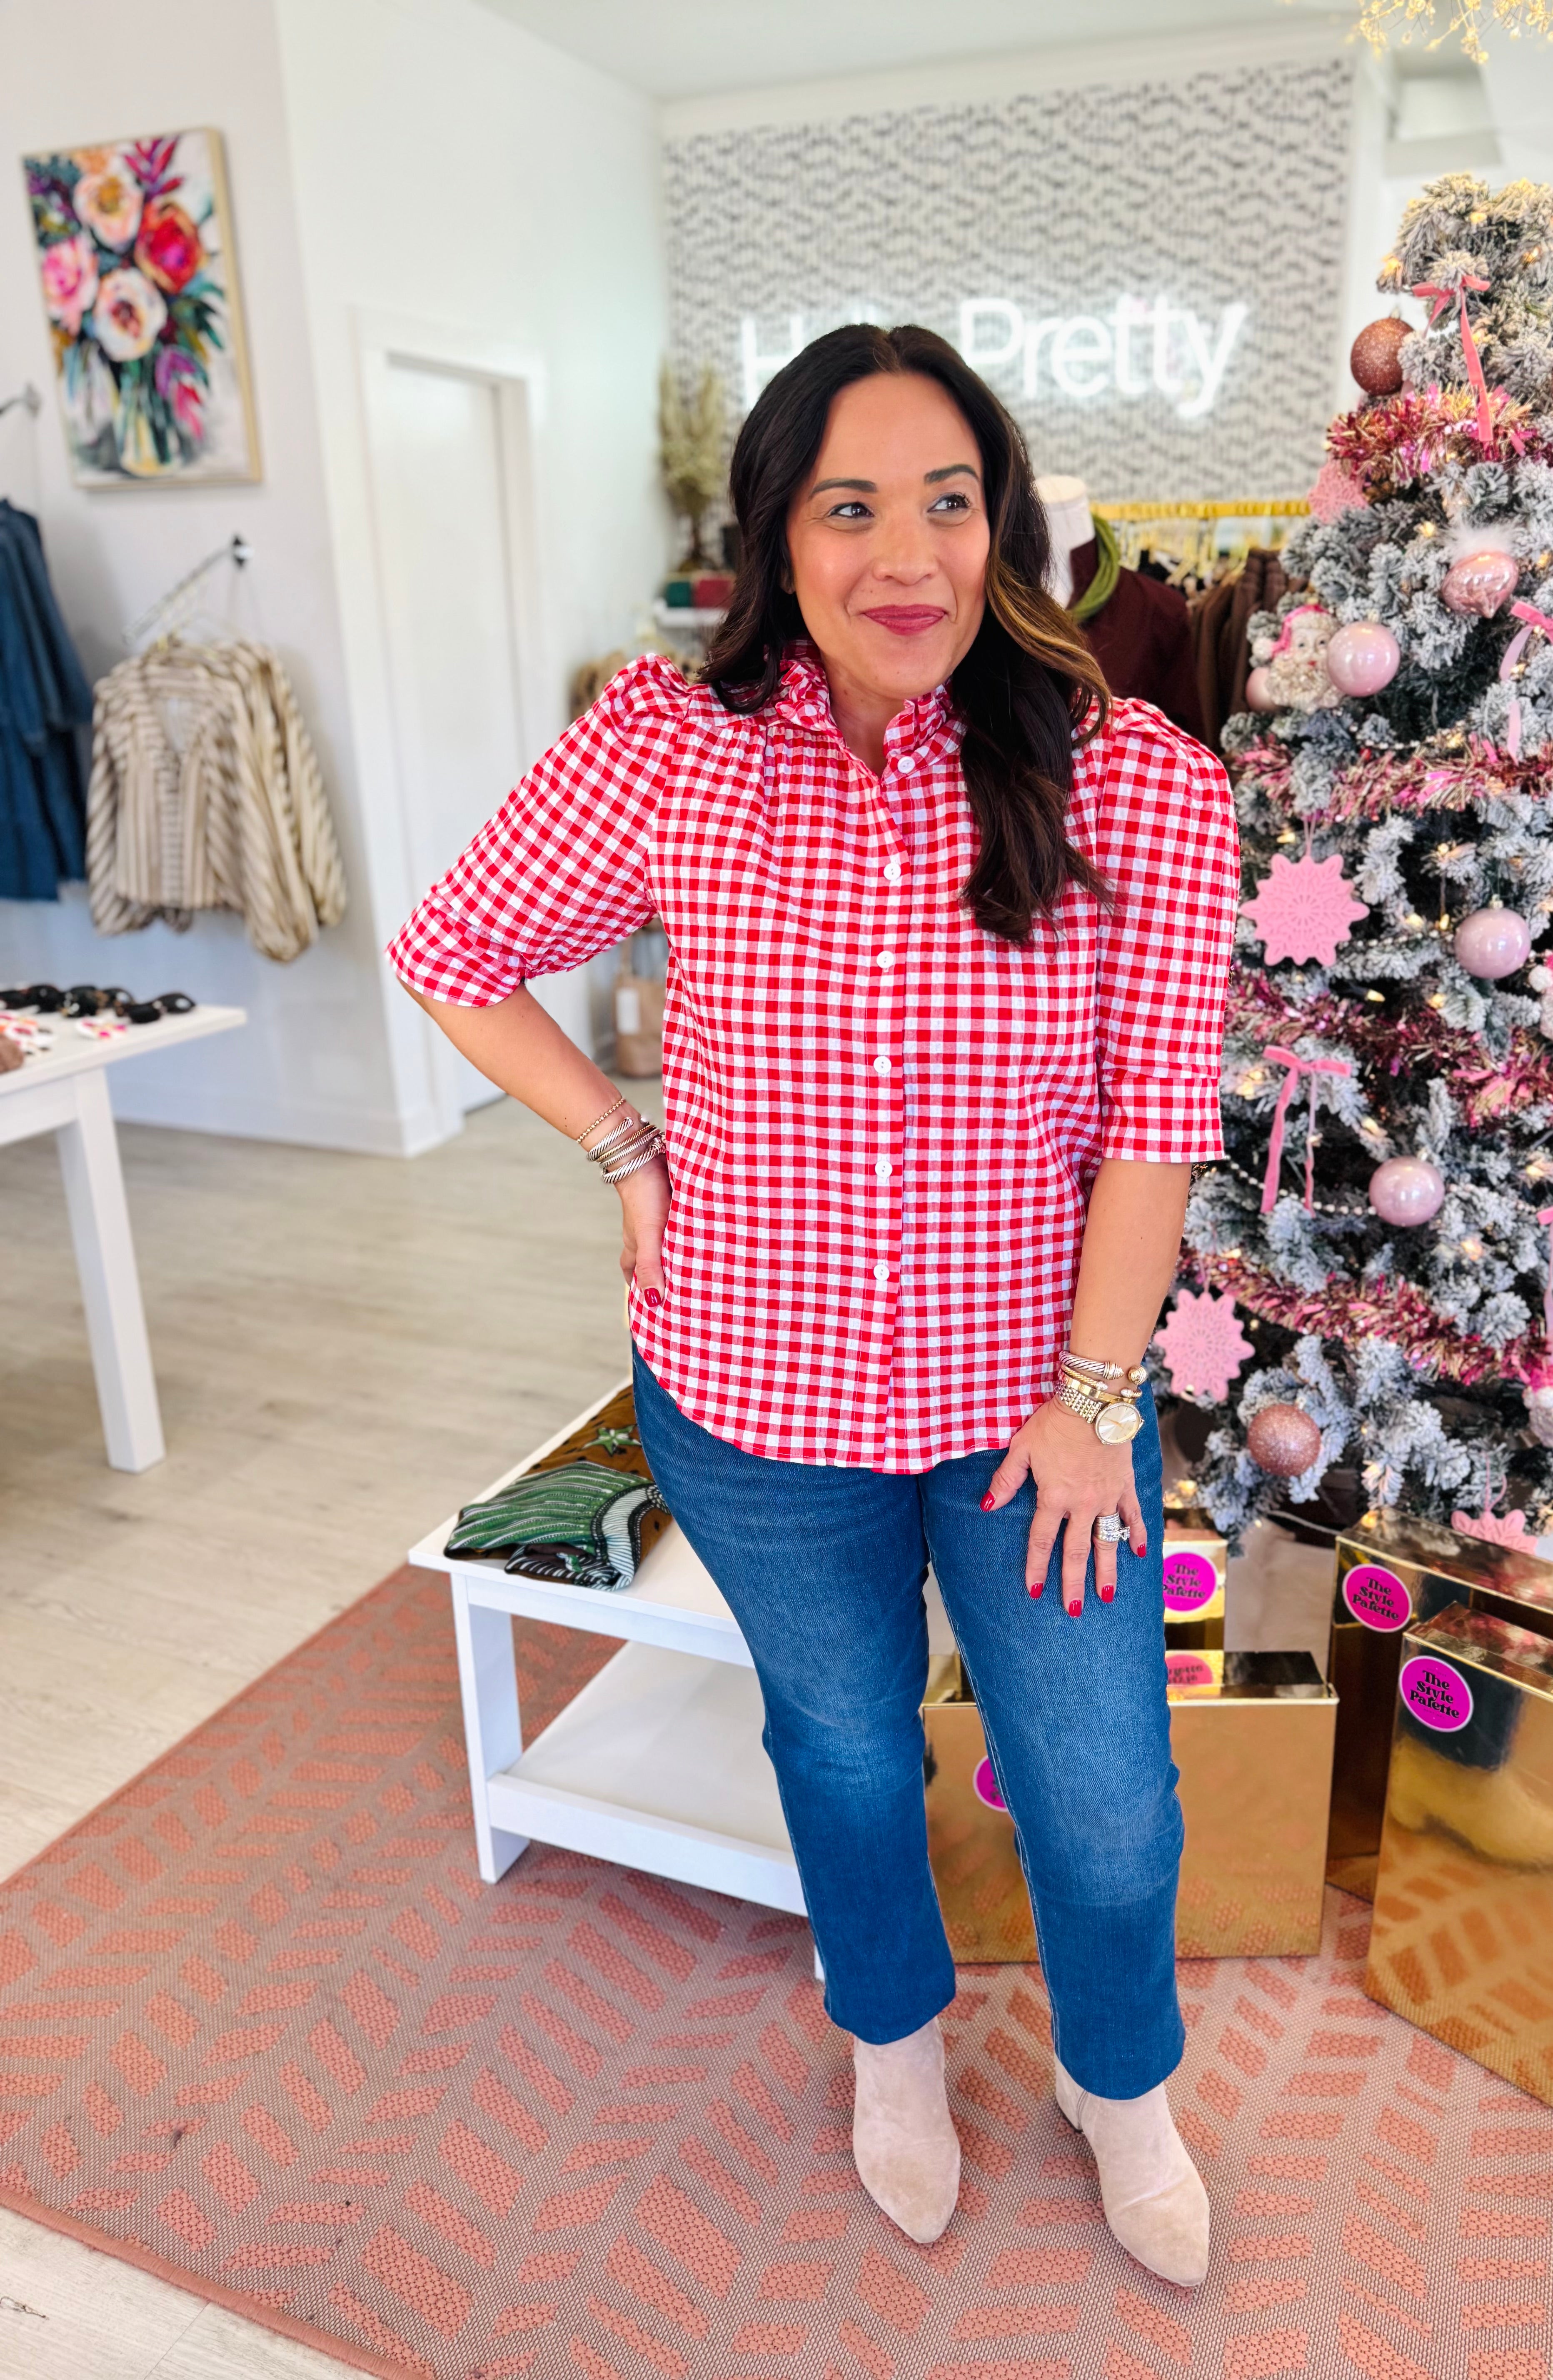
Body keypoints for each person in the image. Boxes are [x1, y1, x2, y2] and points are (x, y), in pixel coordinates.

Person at [387, 324, 1238, 2286]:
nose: (905, 556)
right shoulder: (671, 747)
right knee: (845, 1753)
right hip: (753, 1397)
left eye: (948, 502)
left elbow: (1154, 1131)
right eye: (850, 507)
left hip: (1041, 1407)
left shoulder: (1132, 777)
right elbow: (454, 950)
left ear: (1004, 523)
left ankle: (1119, 2081)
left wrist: (1097, 1401)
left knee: (1106, 1795)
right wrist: (626, 1150)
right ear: (776, 532)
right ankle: (894, 2047)